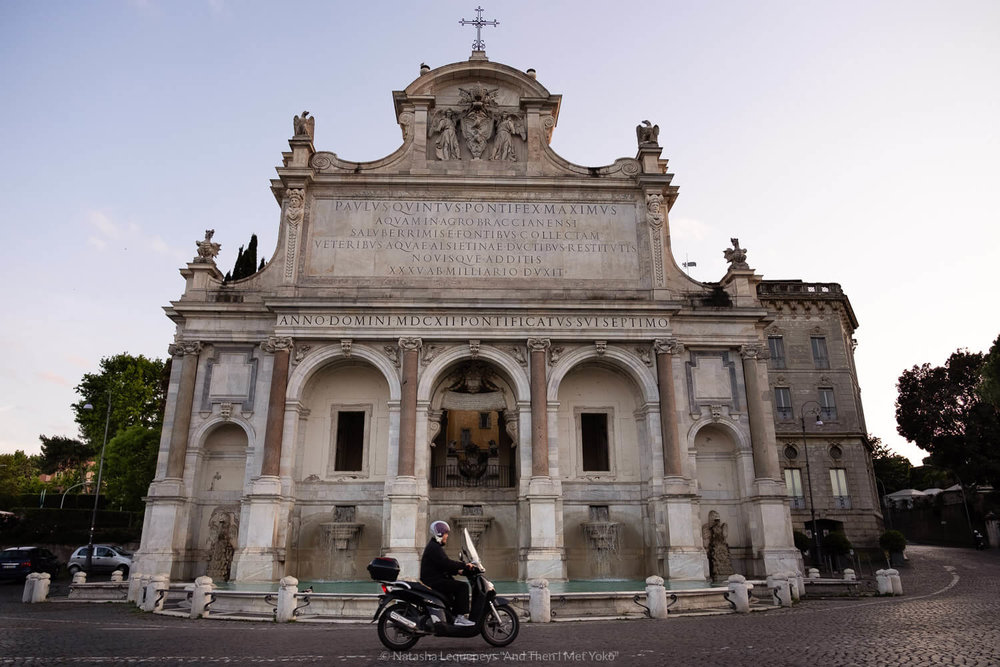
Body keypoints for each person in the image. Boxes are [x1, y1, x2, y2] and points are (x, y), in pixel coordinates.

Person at [420, 520, 475, 626]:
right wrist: (464, 565)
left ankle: (451, 617)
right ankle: (459, 617)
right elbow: (446, 563)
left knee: (454, 586)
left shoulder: (435, 546)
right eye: (446, 533)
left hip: (434, 579)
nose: (447, 536)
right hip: (434, 581)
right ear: (439, 533)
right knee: (462, 587)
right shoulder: (434, 547)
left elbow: (442, 565)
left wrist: (458, 571)